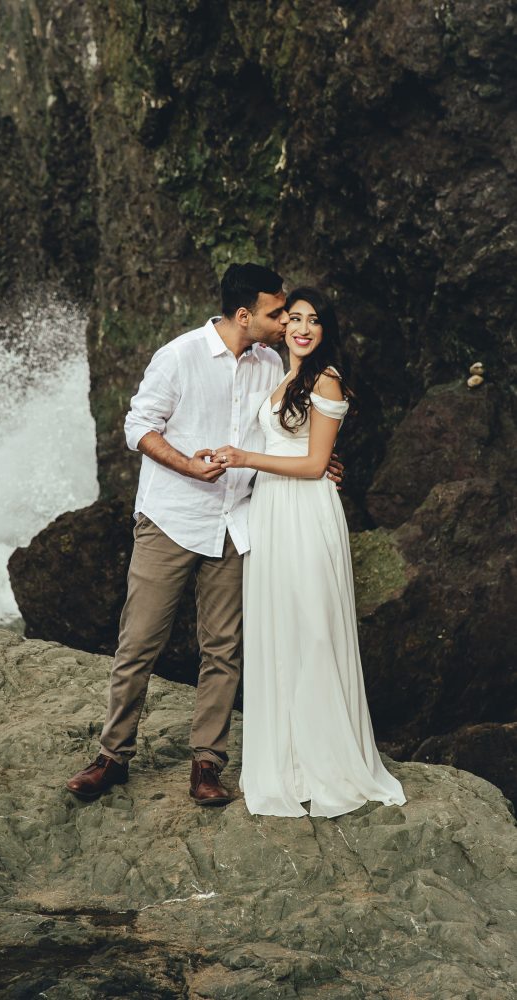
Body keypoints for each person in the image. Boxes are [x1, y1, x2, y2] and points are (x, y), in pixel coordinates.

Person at [65, 264, 343, 806]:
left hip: (240, 520)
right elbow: (138, 425)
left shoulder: (273, 365)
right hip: (173, 518)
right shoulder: (179, 356)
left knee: (223, 649)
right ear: (245, 315)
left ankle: (207, 764)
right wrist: (187, 467)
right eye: (276, 311)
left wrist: (323, 463)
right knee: (139, 642)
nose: (286, 320)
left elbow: (294, 429)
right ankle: (112, 757)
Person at [213, 287, 406, 817]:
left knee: (315, 627)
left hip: (306, 508)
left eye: (313, 320)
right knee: (281, 627)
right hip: (271, 509)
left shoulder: (326, 378)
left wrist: (244, 456)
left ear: (325, 331)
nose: (301, 327)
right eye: (293, 317)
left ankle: (330, 759)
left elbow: (317, 463)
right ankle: (288, 757)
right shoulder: (280, 373)